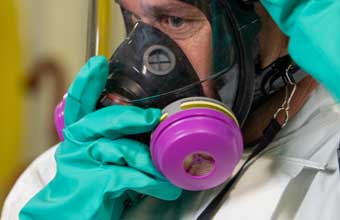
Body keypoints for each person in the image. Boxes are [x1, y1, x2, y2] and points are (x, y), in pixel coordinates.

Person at [2, 0, 340, 219]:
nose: (138, 53)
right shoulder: (71, 180)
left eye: (175, 20)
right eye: (131, 19)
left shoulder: (330, 169)